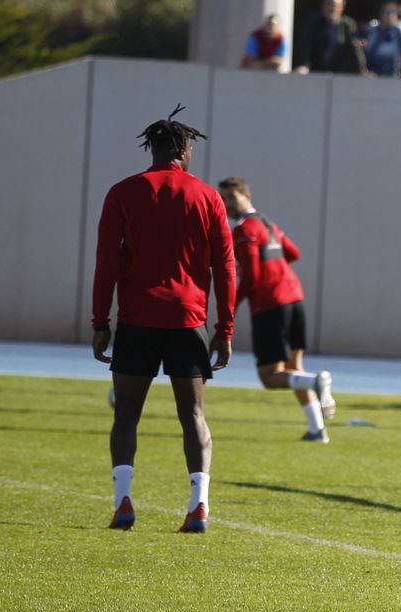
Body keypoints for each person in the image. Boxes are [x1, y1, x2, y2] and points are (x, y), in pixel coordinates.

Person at [92, 106, 235, 534]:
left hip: (137, 318)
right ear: (186, 150)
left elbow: (106, 262)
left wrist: (101, 321)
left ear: (151, 149)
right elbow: (225, 266)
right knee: (192, 414)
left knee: (126, 416)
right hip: (187, 319)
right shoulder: (207, 196)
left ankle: (123, 502)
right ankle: (199, 505)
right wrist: (224, 329)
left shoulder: (123, 192)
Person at [217, 177, 338, 443]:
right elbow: (293, 253)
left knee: (270, 377)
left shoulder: (244, 230)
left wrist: (230, 308)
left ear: (247, 196)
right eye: (223, 198)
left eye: (232, 198)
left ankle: (318, 381)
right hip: (294, 298)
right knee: (295, 368)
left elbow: (250, 279)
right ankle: (317, 430)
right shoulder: (268, 223)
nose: (227, 204)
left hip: (271, 305)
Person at [292, 0, 368, 75]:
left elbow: (355, 46)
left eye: (334, 5)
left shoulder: (348, 25)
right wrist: (304, 65)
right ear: (323, 6)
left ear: (341, 8)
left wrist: (362, 69)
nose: (331, 8)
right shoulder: (314, 23)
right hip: (317, 72)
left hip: (341, 73)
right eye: (328, 4)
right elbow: (307, 46)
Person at [361, 2, 401, 79]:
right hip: (373, 74)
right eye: (386, 12)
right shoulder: (372, 29)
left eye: (392, 12)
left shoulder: (400, 30)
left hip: (392, 75)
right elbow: (364, 50)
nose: (389, 16)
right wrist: (363, 70)